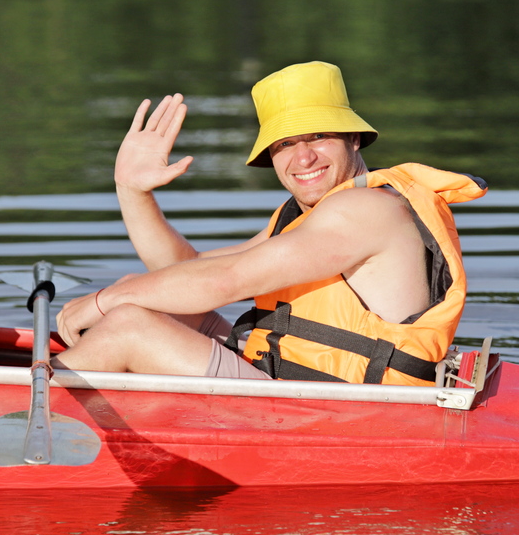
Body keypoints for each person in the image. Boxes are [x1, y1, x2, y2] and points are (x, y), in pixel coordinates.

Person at [53, 61, 486, 385]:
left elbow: (225, 281)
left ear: (353, 137)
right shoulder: (303, 217)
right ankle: (58, 387)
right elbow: (186, 270)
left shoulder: (367, 210)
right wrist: (132, 190)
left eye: (318, 136)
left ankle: (19, 409)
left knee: (129, 323)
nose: (303, 158)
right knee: (152, 304)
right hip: (291, 381)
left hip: (353, 414)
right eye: (284, 144)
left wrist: (104, 301)